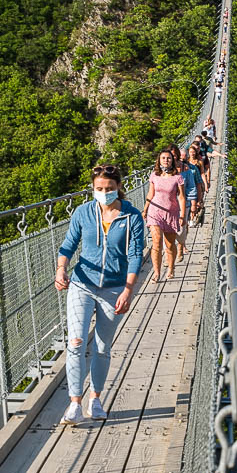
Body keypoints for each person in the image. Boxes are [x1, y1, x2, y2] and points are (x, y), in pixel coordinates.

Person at [54, 164, 145, 425]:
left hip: (115, 288)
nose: (104, 193)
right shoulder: (83, 213)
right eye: (99, 189)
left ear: (119, 187)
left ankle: (95, 399)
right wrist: (61, 270)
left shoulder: (131, 216)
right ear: (92, 189)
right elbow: (69, 244)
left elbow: (135, 254)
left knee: (103, 348)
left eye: (109, 189)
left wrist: (128, 290)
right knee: (76, 343)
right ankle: (74, 403)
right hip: (82, 283)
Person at [142, 147, 186, 283]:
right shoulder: (154, 175)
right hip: (155, 212)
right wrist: (145, 209)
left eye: (168, 158)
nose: (166, 160)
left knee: (170, 244)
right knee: (156, 242)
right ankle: (156, 273)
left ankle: (171, 268)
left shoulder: (177, 177)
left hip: (171, 213)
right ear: (159, 160)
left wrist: (183, 215)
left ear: (172, 160)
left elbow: (182, 198)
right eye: (163, 158)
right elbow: (151, 193)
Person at [180, 141, 202, 228]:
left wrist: (198, 201)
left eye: (184, 159)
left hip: (189, 198)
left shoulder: (193, 168)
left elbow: (198, 185)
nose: (182, 161)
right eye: (180, 159)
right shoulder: (173, 171)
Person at [186, 140, 208, 223]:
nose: (192, 153)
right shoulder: (186, 163)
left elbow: (202, 173)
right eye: (190, 152)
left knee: (198, 202)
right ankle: (191, 218)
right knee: (191, 202)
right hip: (189, 184)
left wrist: (205, 184)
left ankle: (194, 217)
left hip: (198, 182)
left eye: (193, 152)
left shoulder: (199, 162)